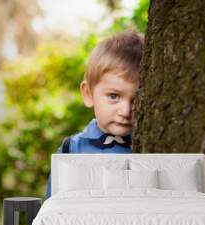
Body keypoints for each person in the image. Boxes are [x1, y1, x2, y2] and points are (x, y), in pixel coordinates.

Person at [45, 30, 144, 199]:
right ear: (88, 94)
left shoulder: (150, 147)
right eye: (113, 96)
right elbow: (52, 205)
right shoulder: (71, 149)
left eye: (137, 99)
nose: (126, 111)